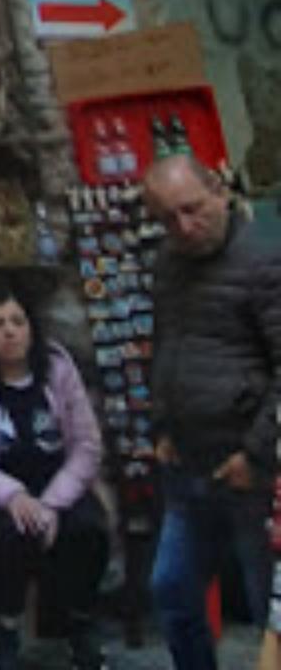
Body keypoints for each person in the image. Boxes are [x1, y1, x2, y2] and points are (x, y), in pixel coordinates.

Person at [145, 154, 281, 670]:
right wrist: (162, 425)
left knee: (269, 608)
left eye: (192, 209)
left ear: (218, 191)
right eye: (169, 218)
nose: (185, 227)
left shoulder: (263, 262)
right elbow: (166, 345)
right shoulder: (169, 264)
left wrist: (257, 453)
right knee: (173, 591)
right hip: (189, 462)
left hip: (249, 469)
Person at [0, 281, 109, 670]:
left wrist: (51, 504)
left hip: (56, 484)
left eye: (17, 322)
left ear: (32, 328)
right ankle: (6, 629)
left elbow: (87, 444)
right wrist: (12, 496)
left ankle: (79, 623)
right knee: (14, 534)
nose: (9, 332)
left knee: (89, 529)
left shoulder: (59, 370)